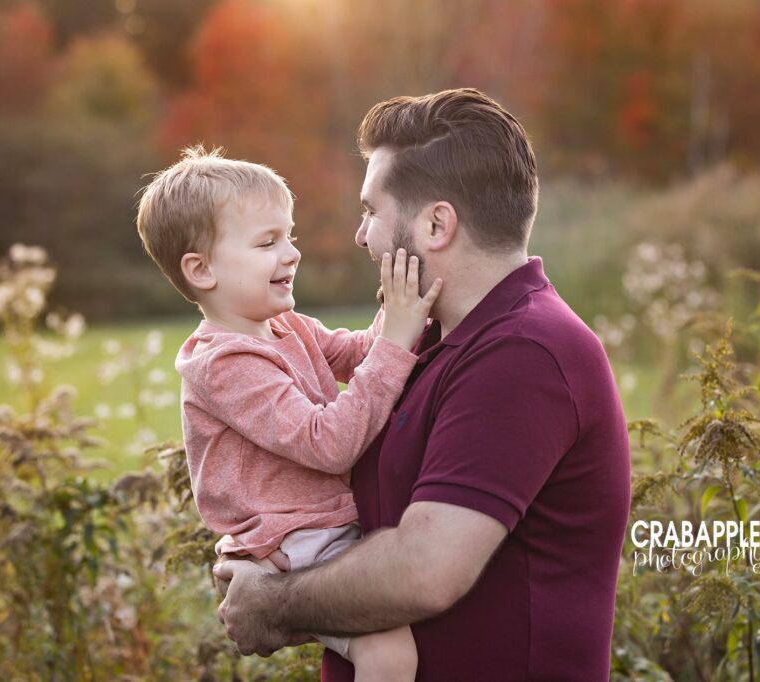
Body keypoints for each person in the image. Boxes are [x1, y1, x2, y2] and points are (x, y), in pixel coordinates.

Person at [214, 88, 633, 681]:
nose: (361, 237)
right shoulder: (426, 341)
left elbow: (425, 568)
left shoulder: (525, 353)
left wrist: (274, 603)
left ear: (436, 224)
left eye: (371, 212)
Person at [135, 146, 443, 681]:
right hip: (294, 539)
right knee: (389, 651)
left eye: (290, 236)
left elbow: (361, 354)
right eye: (268, 242)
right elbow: (328, 445)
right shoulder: (224, 363)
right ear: (201, 269)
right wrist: (397, 338)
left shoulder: (287, 327)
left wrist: (401, 309)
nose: (292, 252)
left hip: (320, 525)